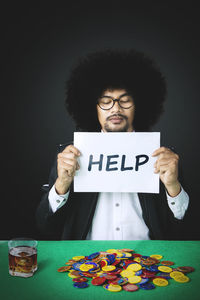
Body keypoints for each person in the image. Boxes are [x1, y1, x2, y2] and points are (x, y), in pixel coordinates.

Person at [36, 49, 189, 240]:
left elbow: (183, 230)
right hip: (87, 264)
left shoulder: (164, 157)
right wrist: (61, 185)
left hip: (148, 263)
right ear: (93, 108)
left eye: (125, 101)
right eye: (106, 101)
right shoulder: (70, 155)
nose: (116, 108)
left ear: (139, 105)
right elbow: (45, 226)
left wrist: (173, 186)